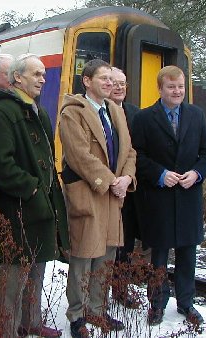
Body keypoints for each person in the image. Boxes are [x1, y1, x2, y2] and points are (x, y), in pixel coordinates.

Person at [0, 53, 69, 338]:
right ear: (17, 77)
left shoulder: (38, 111)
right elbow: (1, 164)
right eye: (36, 74)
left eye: (44, 74)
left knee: (37, 269)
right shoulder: (3, 113)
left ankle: (30, 322)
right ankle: (5, 331)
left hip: (41, 208)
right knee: (13, 276)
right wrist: (32, 187)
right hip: (20, 208)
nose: (43, 79)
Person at [132, 65, 206, 325]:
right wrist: (160, 174)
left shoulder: (196, 115)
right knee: (158, 256)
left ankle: (186, 304)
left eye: (180, 86)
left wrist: (197, 174)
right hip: (159, 199)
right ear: (160, 89)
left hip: (189, 197)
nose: (177, 91)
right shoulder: (144, 119)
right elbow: (137, 156)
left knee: (187, 255)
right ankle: (156, 304)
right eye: (171, 87)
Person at [59, 59, 137, 338]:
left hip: (113, 194)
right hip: (89, 191)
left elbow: (129, 151)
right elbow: (80, 155)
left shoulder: (116, 111)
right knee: (83, 255)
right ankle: (77, 315)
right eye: (102, 78)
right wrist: (111, 181)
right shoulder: (72, 113)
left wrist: (127, 178)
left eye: (111, 79)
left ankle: (97, 308)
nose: (109, 83)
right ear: (87, 81)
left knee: (107, 253)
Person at [109, 67, 141, 308]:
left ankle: (120, 290)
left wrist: (128, 179)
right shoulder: (98, 113)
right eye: (115, 83)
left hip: (128, 190)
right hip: (106, 189)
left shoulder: (134, 113)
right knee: (106, 243)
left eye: (124, 83)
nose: (120, 88)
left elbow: (137, 151)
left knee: (126, 242)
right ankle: (98, 294)